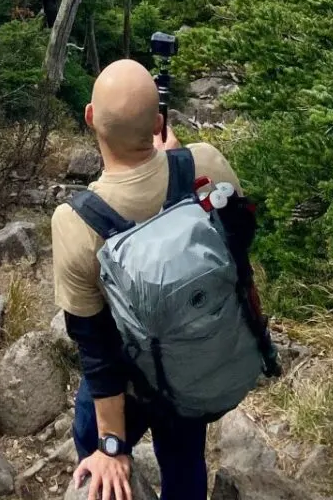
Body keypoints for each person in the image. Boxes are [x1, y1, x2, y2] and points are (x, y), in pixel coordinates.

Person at [51, 59, 241, 500]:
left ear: (90, 119)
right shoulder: (205, 162)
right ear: (157, 123)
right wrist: (177, 163)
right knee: (185, 458)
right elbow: (239, 241)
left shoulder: (76, 221)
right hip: (197, 358)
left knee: (87, 435)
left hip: (131, 374)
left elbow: (95, 347)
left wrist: (111, 445)